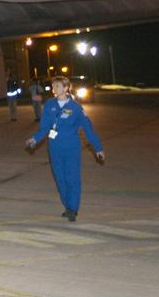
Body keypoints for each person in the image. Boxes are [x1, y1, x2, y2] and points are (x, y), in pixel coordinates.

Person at [25, 75, 105, 222]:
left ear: (66, 88)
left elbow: (88, 130)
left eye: (57, 86)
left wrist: (98, 148)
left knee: (72, 178)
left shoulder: (76, 108)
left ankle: (72, 208)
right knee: (60, 178)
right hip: (55, 148)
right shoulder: (49, 105)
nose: (54, 89)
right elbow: (44, 128)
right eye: (53, 86)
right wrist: (34, 139)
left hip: (71, 148)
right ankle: (67, 205)